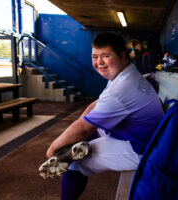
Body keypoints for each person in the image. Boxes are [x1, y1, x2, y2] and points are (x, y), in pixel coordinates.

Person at [39, 32, 164, 199]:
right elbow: (94, 106)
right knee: (84, 136)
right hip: (142, 136)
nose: (99, 62)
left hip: (141, 149)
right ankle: (73, 149)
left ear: (122, 55)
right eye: (95, 56)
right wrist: (78, 129)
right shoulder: (126, 73)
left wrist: (52, 150)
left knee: (75, 163)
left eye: (106, 56)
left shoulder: (122, 87)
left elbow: (83, 128)